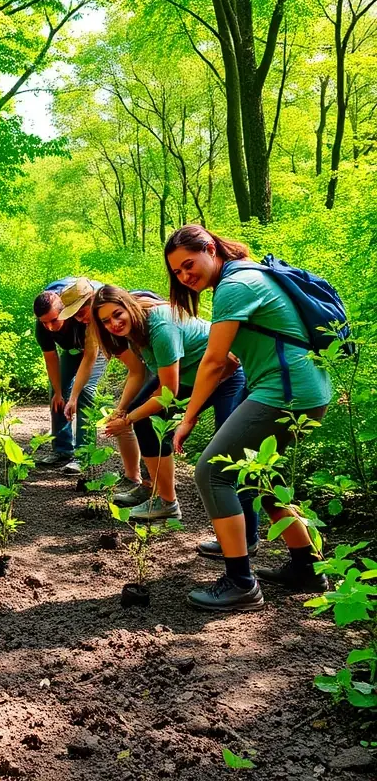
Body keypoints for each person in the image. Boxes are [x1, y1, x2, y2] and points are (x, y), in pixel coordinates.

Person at [166, 225, 332, 611]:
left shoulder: (234, 285)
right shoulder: (249, 276)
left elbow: (214, 361)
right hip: (299, 390)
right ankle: (307, 568)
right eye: (177, 272)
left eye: (189, 264)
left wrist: (188, 418)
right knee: (259, 476)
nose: (185, 276)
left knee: (212, 471)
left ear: (210, 248)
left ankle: (241, 582)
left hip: (286, 393)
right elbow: (242, 351)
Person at [88, 285, 247, 525]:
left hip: (226, 375)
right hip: (189, 375)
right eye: (106, 321)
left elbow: (167, 393)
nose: (114, 324)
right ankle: (161, 497)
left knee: (228, 451)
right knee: (145, 418)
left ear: (128, 307)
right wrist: (125, 411)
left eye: (117, 314)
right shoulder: (134, 329)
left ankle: (246, 533)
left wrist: (128, 419)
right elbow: (158, 378)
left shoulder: (160, 327)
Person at [32, 277, 106, 474]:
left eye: (54, 320)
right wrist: (58, 391)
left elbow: (90, 355)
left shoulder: (83, 315)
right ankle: (62, 449)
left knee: (85, 393)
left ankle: (84, 455)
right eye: (44, 322)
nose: (49, 327)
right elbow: (51, 359)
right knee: (57, 393)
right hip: (71, 349)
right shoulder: (43, 326)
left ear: (65, 310)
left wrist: (74, 396)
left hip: (93, 348)